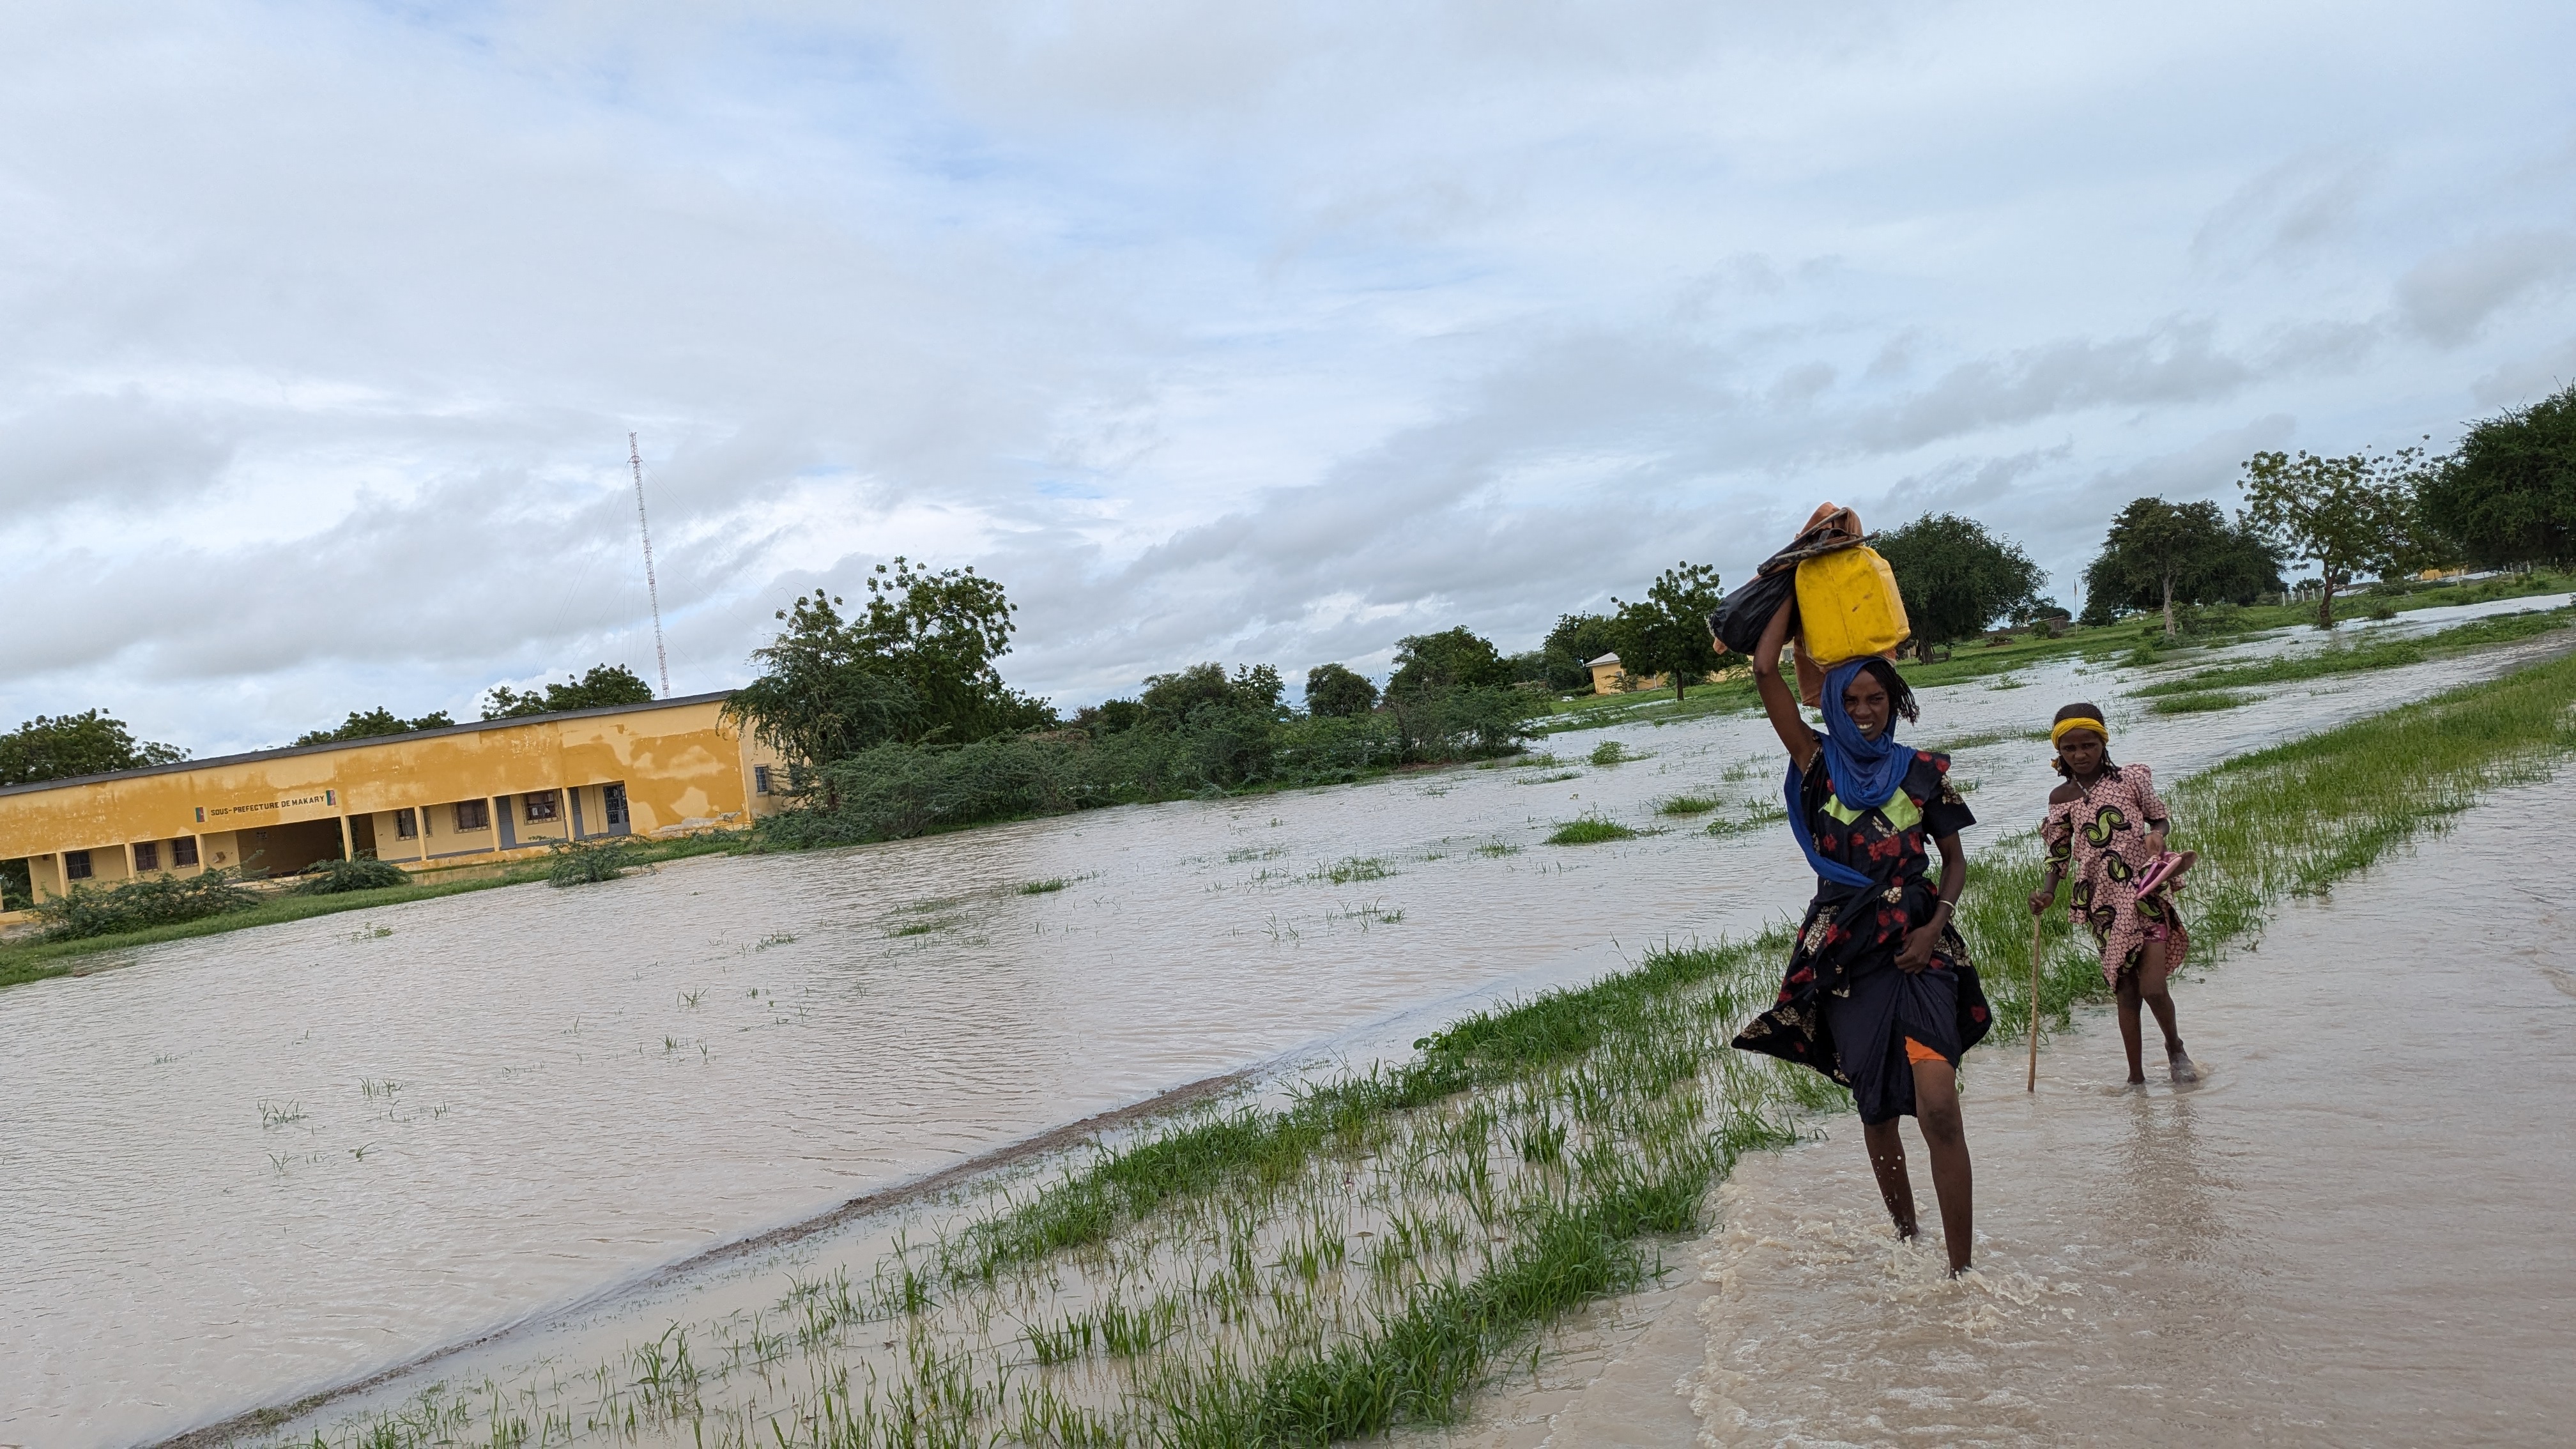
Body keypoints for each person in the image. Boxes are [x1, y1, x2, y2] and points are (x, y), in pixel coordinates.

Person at [1730, 598, 1989, 1276]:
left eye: (1879, 698)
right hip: (1846, 950)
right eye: (1856, 701)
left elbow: (1955, 861)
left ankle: (1961, 1274)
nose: (1868, 711)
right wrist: (1792, 590)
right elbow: (1763, 670)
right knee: (1875, 1105)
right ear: (1835, 708)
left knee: (1938, 1104)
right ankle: (1908, 1238)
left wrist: (1937, 927)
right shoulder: (1814, 762)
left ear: (1894, 701)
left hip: (1920, 945)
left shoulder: (1923, 770)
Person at [2027, 703, 2199, 1085]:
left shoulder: (2130, 781)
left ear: (2103, 743)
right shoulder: (2061, 798)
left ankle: (2175, 1048)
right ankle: (2135, 1079)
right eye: (2070, 749)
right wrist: (2048, 894)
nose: (2080, 755)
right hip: (2102, 907)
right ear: (2059, 752)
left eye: (2088, 745)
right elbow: (2058, 854)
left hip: (2144, 892)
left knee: (2153, 988)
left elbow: (2160, 816)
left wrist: (2158, 834)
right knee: (2125, 994)